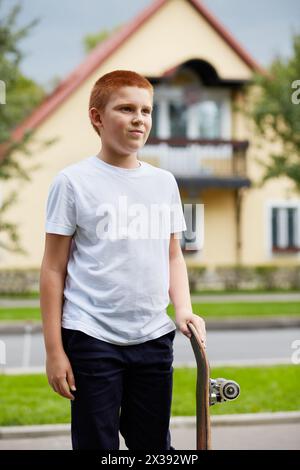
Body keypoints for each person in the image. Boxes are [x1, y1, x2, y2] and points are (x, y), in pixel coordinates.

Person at [40, 70, 206, 450]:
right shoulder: (72, 182)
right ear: (97, 117)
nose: (139, 119)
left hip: (152, 336)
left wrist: (183, 309)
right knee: (97, 445)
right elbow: (52, 269)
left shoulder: (163, 182)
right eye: (126, 108)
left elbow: (172, 253)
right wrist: (54, 351)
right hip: (91, 335)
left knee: (153, 446)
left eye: (146, 110)